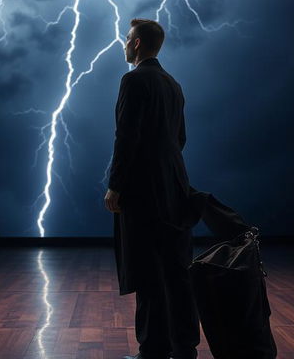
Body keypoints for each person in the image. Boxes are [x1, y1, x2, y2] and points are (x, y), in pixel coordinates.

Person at [104, 18, 200, 359]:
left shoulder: (133, 80)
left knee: (146, 271)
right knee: (176, 270)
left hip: (143, 191)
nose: (124, 43)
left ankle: (152, 350)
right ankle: (184, 347)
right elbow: (180, 139)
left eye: (128, 38)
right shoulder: (173, 84)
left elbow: (126, 137)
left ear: (139, 44)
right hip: (175, 186)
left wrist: (115, 185)